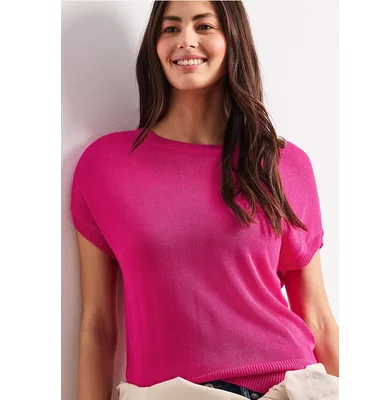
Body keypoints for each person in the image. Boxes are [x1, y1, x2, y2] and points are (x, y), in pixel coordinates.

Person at [70, 1, 339, 399]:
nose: (186, 40)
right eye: (170, 28)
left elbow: (316, 317)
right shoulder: (104, 166)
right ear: (154, 46)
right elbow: (97, 325)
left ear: (232, 39)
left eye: (204, 26)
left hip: (285, 385)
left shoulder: (281, 163)